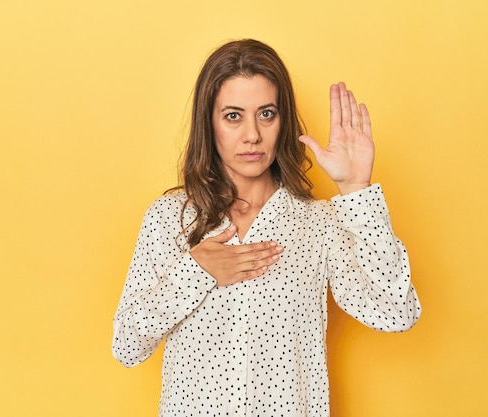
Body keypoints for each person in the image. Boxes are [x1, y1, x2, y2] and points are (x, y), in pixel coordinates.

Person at [112, 38, 421, 417]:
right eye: (233, 115)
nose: (252, 135)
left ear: (282, 119)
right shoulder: (169, 218)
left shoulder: (318, 223)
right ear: (209, 123)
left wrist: (356, 190)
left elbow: (396, 313)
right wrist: (195, 272)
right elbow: (127, 346)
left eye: (267, 113)